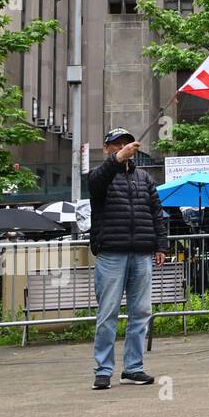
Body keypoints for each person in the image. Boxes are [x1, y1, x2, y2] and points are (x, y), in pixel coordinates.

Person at [87, 128, 167, 390]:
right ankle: (103, 370)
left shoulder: (144, 178)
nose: (123, 147)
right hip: (111, 253)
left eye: (126, 143)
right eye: (116, 144)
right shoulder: (101, 177)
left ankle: (133, 368)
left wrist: (161, 245)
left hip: (141, 252)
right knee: (108, 313)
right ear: (107, 148)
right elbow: (96, 184)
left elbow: (156, 213)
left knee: (141, 312)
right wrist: (117, 159)